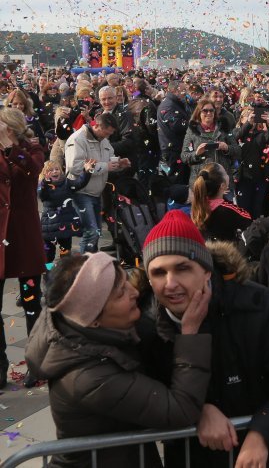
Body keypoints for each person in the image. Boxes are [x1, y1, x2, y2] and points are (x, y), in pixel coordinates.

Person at [142, 210, 269, 468]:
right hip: (197, 458)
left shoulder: (257, 304)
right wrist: (197, 410)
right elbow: (144, 396)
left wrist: (262, 433)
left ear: (207, 271)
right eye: (159, 273)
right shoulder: (144, 327)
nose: (170, 283)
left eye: (182, 268)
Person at [24, 252, 212, 468]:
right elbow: (180, 410)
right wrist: (190, 335)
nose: (134, 292)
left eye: (126, 280)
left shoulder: (85, 330)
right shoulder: (89, 378)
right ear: (93, 319)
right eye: (121, 293)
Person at [0, 107, 47, 388]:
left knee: (31, 303)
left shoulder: (32, 148)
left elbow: (33, 172)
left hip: (24, 238)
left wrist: (11, 149)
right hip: (1, 239)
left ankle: (37, 364)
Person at [65, 112, 131, 253]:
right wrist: (105, 166)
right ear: (98, 126)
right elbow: (74, 167)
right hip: (81, 192)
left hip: (96, 192)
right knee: (91, 232)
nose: (108, 137)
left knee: (97, 232)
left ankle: (91, 263)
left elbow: (109, 160)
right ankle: (85, 266)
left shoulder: (104, 141)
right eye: (106, 133)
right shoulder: (78, 139)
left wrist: (119, 163)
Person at [38, 159, 94, 264]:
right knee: (48, 255)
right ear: (45, 173)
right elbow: (42, 195)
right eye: (51, 170)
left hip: (66, 224)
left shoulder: (66, 183)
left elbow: (79, 183)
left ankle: (63, 273)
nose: (55, 172)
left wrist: (86, 171)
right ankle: (48, 273)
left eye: (57, 169)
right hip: (49, 226)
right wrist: (45, 182)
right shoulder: (43, 186)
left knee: (66, 253)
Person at [180, 97, 241, 186]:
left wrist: (227, 148)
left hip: (222, 179)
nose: (209, 113)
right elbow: (184, 156)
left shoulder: (223, 127)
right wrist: (196, 154)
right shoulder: (192, 130)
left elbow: (238, 151)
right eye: (205, 110)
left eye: (211, 110)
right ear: (199, 112)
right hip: (201, 180)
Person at [190, 162, 252, 243]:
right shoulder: (227, 209)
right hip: (225, 252)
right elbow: (248, 221)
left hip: (204, 251)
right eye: (225, 173)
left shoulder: (198, 204)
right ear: (222, 186)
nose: (228, 175)